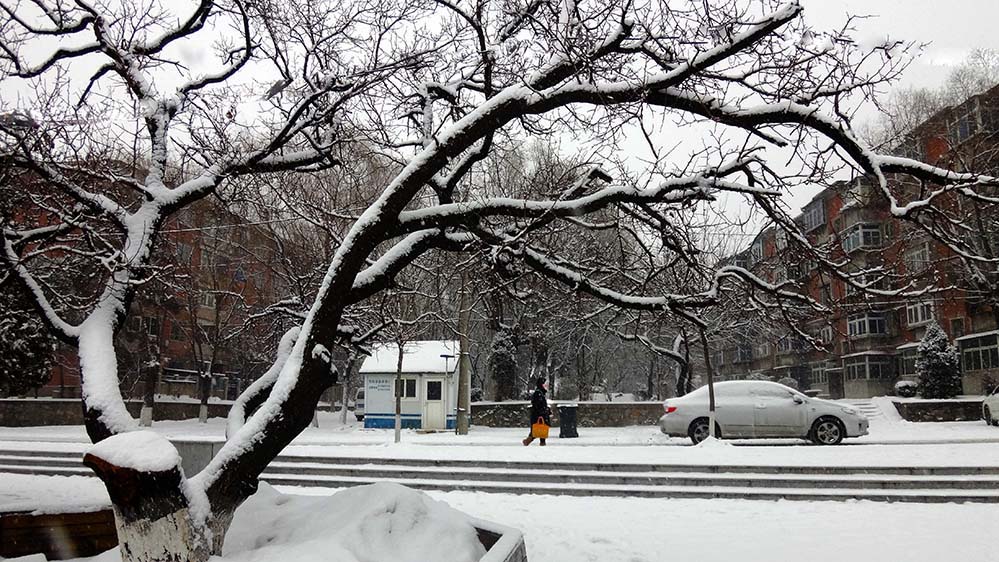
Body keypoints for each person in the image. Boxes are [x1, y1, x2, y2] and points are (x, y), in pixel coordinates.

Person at [523, 378, 552, 446]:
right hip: (539, 415)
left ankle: (532, 441)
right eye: (545, 384)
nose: (547, 385)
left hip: (540, 414)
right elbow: (537, 405)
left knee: (540, 429)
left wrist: (547, 410)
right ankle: (529, 441)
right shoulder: (538, 393)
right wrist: (545, 411)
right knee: (539, 429)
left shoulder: (540, 393)